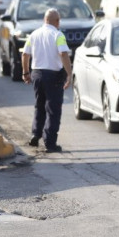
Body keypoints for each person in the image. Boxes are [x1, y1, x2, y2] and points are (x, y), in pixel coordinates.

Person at [21, 8, 73, 153]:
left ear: (45, 20)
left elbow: (25, 54)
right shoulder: (58, 35)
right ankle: (50, 143)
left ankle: (35, 134)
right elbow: (63, 53)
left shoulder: (33, 34)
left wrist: (25, 72)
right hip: (53, 76)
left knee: (39, 105)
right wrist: (69, 74)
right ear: (57, 21)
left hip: (37, 74)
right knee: (53, 110)